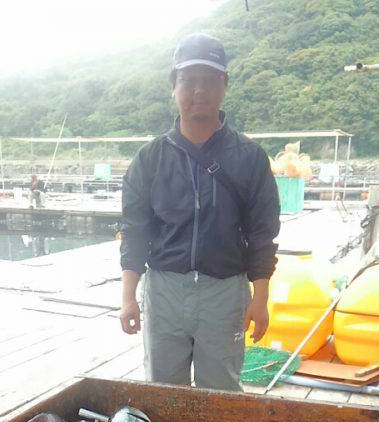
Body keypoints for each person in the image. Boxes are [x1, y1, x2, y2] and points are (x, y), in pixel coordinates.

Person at [120, 33, 280, 391]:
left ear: (223, 85)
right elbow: (134, 231)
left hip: (225, 292)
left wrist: (261, 300)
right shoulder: (150, 159)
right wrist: (129, 298)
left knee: (221, 393)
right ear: (173, 87)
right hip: (164, 290)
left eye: (209, 80)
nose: (198, 90)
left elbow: (262, 234)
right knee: (163, 392)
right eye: (188, 80)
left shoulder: (249, 158)